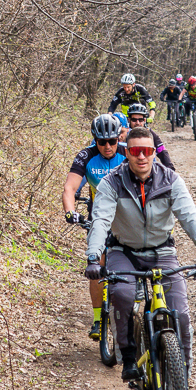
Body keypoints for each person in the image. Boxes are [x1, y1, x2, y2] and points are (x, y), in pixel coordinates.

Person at [84, 126, 196, 390]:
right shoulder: (113, 182)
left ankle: (182, 383)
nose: (141, 157)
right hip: (124, 251)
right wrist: (93, 255)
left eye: (147, 151)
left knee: (181, 314)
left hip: (162, 252)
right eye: (135, 151)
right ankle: (128, 355)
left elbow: (190, 218)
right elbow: (100, 220)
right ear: (127, 152)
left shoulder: (171, 180)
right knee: (123, 295)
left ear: (153, 152)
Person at [64, 114, 128, 340]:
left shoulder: (127, 151)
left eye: (112, 141)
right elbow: (70, 188)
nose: (108, 147)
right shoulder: (86, 156)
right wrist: (71, 212)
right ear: (95, 140)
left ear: (118, 138)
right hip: (98, 218)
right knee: (96, 268)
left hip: (129, 220)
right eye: (102, 142)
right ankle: (98, 319)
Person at [126, 103, 175, 170]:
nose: (137, 123)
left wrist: (170, 168)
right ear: (129, 120)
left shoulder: (150, 133)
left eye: (140, 120)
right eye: (134, 120)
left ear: (145, 120)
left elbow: (162, 151)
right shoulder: (124, 133)